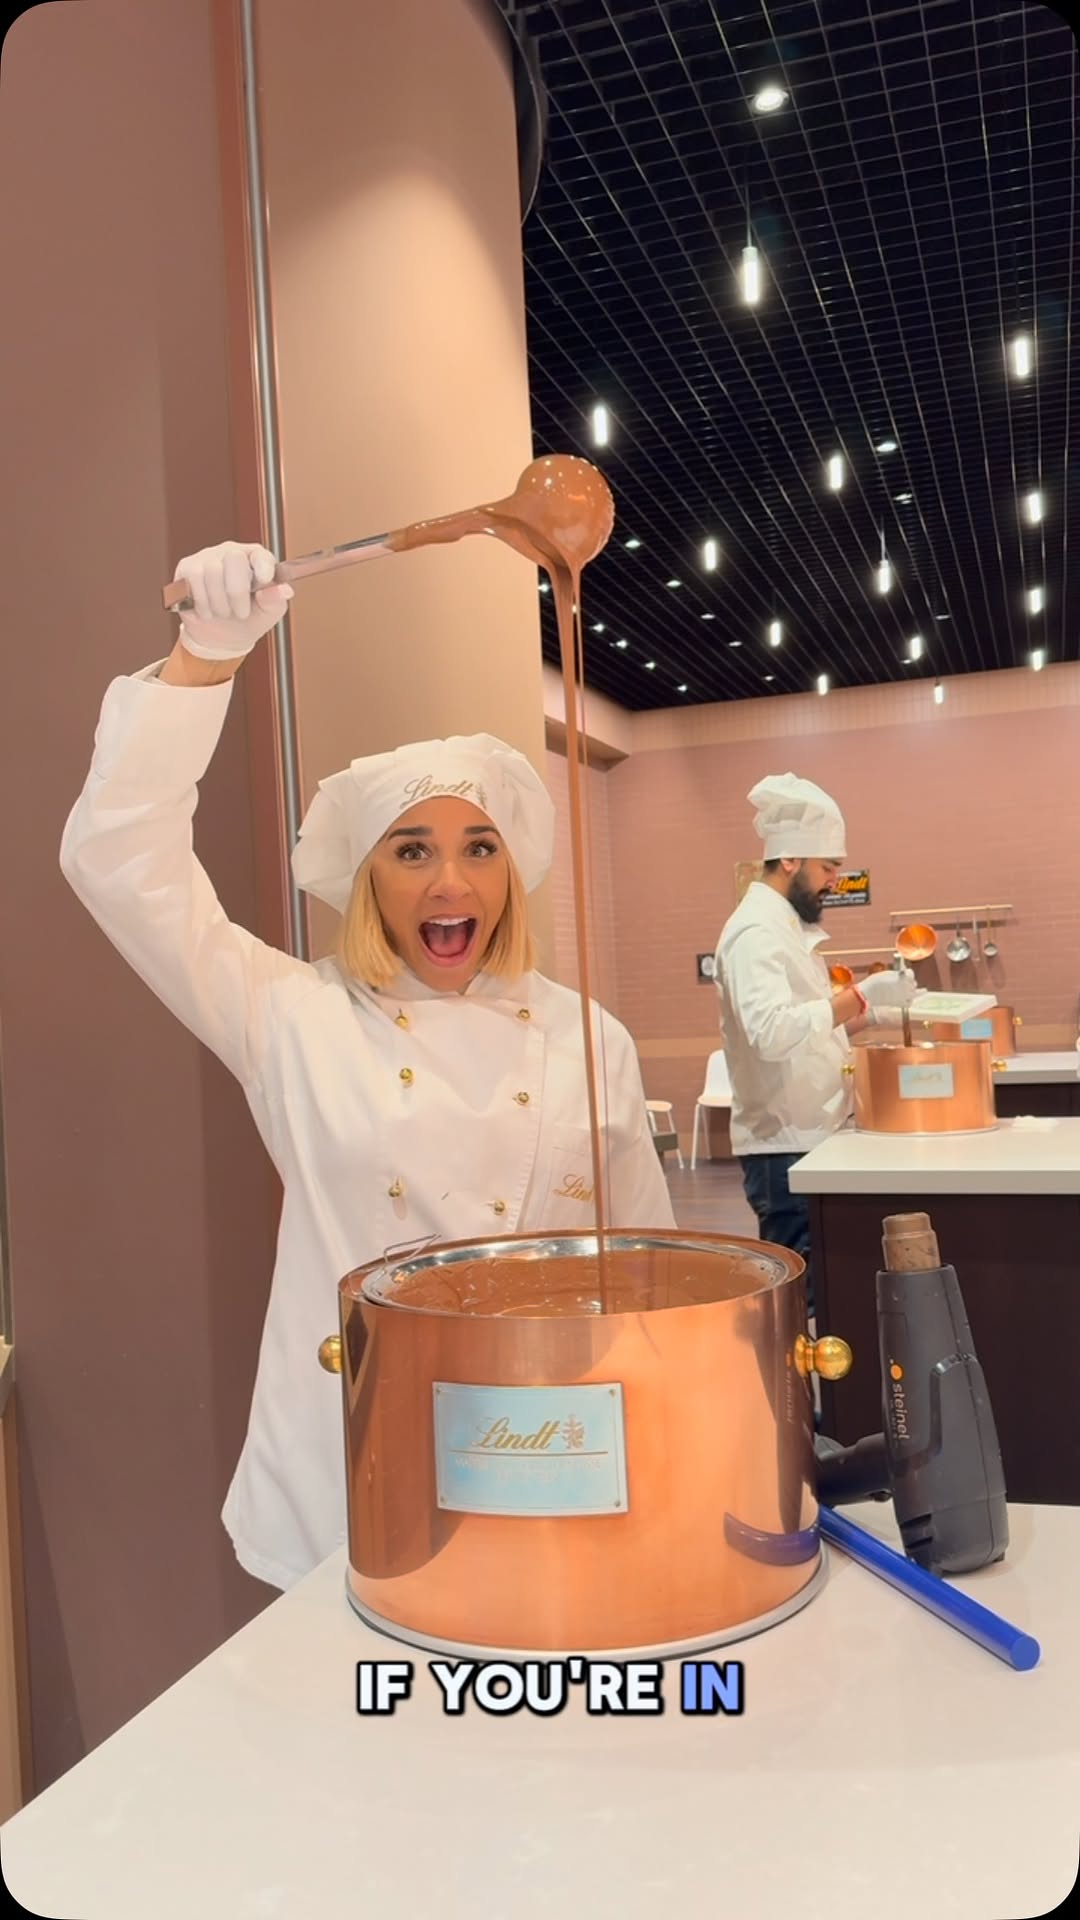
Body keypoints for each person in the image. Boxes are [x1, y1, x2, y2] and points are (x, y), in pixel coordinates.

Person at [60, 539, 674, 1592]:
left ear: (511, 873)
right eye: (412, 849)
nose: (451, 883)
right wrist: (204, 658)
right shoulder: (292, 1017)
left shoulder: (589, 1038)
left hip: (551, 1450)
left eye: (479, 846)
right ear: (366, 877)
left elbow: (649, 1278)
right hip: (345, 1467)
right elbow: (117, 862)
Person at [713, 773, 916, 1311]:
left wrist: (879, 1012)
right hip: (783, 1144)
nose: (835, 880)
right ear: (789, 860)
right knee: (801, 1304)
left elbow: (810, 1029)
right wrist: (858, 996)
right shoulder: (755, 933)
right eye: (828, 867)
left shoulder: (785, 928)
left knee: (821, 1293)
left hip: (808, 1135)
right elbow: (771, 1034)